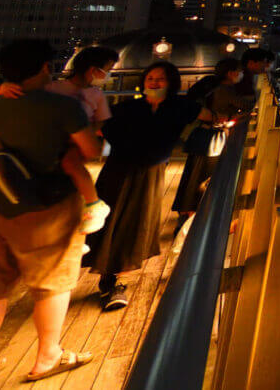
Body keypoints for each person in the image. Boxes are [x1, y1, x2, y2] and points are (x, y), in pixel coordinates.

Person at [0, 39, 103, 381]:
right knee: (53, 282)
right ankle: (47, 357)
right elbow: (91, 151)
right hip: (46, 206)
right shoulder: (61, 107)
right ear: (44, 67)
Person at [87, 61, 203, 311]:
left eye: (160, 79)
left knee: (137, 221)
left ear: (171, 82)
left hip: (150, 173)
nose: (154, 82)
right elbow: (99, 126)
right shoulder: (128, 107)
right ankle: (110, 279)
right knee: (112, 220)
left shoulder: (180, 107)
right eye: (150, 78)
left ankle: (116, 278)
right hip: (119, 170)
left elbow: (210, 113)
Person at [47, 47, 117, 233]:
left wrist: (82, 133)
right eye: (107, 68)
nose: (107, 74)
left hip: (75, 143)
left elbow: (100, 121)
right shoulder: (54, 87)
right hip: (52, 141)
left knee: (71, 163)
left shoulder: (96, 95)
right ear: (93, 69)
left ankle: (93, 204)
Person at [171, 58, 245, 218]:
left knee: (194, 173)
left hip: (202, 135)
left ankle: (185, 209)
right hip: (214, 138)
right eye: (240, 71)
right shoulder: (226, 90)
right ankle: (196, 211)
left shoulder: (213, 86)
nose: (241, 75)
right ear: (231, 73)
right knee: (203, 174)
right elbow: (245, 106)